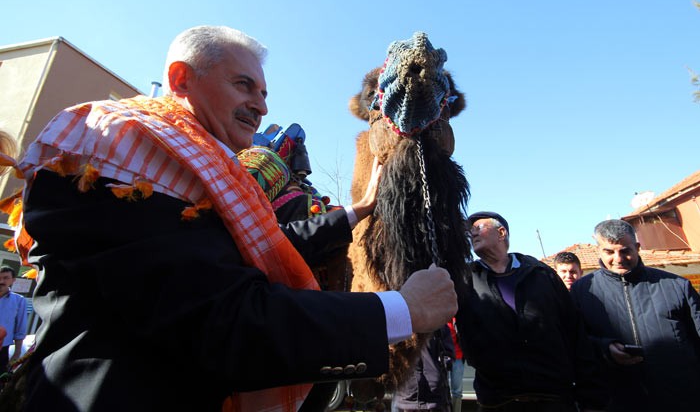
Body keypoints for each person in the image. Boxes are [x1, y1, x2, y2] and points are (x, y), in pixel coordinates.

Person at [5, 25, 457, 412]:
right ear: (180, 79)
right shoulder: (112, 148)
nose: (260, 106)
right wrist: (400, 310)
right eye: (243, 85)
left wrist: (354, 214)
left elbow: (258, 246)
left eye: (263, 93)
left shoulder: (219, 176)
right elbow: (218, 315)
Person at [458, 211, 607, 412]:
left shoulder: (542, 275)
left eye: (478, 228)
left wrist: (591, 396)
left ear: (501, 233)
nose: (472, 234)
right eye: (470, 231)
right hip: (498, 401)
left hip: (553, 397)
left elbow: (574, 332)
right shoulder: (465, 280)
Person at [570, 219, 700, 412]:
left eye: (625, 251)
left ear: (637, 247)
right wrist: (605, 347)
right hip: (618, 399)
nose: (618, 258)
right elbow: (574, 341)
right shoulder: (582, 292)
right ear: (599, 250)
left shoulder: (677, 286)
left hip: (681, 397)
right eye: (609, 252)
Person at [390, 324, 454, 411]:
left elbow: (448, 354)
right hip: (406, 396)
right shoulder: (401, 326)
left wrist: (443, 363)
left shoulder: (439, 325)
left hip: (433, 396)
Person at [0, 267, 27, 372]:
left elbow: (20, 328)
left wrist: (17, 353)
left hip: (2, 350)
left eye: (6, 278)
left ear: (13, 280)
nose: (1, 281)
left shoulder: (19, 301)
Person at [447, 318, 464, 412]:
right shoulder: (441, 318)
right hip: (444, 357)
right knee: (442, 389)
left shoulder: (458, 318)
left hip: (458, 357)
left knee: (457, 391)